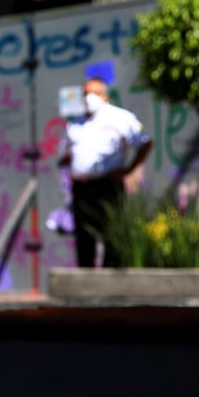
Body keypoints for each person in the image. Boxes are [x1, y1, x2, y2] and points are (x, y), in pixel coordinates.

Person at [57, 77, 153, 268]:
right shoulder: (76, 122)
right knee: (84, 236)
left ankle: (110, 282)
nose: (89, 98)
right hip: (82, 189)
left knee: (110, 232)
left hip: (106, 185)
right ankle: (85, 281)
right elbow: (68, 151)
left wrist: (129, 169)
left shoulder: (120, 118)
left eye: (95, 93)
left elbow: (145, 142)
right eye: (85, 93)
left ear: (105, 96)